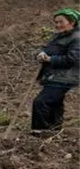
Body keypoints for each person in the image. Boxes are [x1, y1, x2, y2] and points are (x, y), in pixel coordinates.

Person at [31, 8, 79, 136]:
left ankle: (40, 131)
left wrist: (50, 59)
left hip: (64, 77)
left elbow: (73, 59)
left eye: (61, 22)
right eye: (56, 22)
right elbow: (47, 49)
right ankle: (54, 131)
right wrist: (40, 54)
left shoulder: (76, 38)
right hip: (53, 75)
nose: (57, 25)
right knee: (55, 103)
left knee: (41, 102)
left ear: (72, 22)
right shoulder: (58, 37)